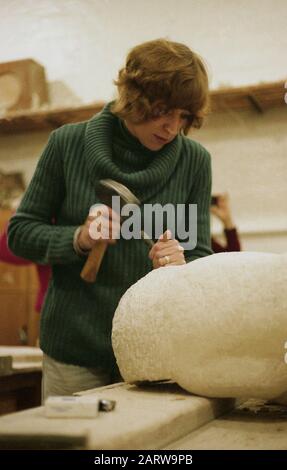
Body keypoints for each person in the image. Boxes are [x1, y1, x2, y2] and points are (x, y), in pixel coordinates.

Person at [8, 38, 213, 400]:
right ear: (134, 96)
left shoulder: (195, 161)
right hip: (74, 354)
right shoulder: (66, 144)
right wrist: (79, 239)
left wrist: (182, 263)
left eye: (183, 117)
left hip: (157, 354)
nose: (171, 126)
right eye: (163, 109)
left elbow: (200, 254)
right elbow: (20, 234)